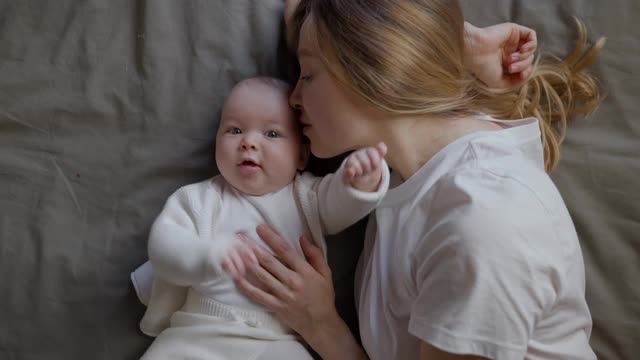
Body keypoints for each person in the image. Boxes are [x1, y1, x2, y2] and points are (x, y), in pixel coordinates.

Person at [232, 1, 606, 359]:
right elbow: (310, 11)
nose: (293, 98)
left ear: (374, 68)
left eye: (308, 75)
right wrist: (463, 45)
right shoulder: (420, 158)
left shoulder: (481, 224)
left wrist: (322, 327)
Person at [131, 76, 390, 360]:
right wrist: (207, 255)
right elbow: (164, 244)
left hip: (277, 340)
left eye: (272, 134)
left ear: (302, 155)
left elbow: (341, 203)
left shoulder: (307, 198)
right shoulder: (201, 199)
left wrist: (359, 181)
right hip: (198, 331)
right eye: (235, 130)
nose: (248, 143)